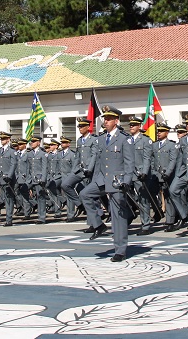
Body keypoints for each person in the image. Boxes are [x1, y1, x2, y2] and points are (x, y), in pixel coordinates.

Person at [80, 105, 135, 262]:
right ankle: (99, 225)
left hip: (117, 181)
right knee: (85, 194)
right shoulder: (101, 138)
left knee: (118, 216)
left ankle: (120, 250)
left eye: (109, 119)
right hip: (102, 179)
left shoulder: (125, 139)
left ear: (116, 121)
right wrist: (95, 177)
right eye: (105, 118)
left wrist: (127, 181)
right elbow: (99, 160)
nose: (106, 121)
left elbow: (130, 162)